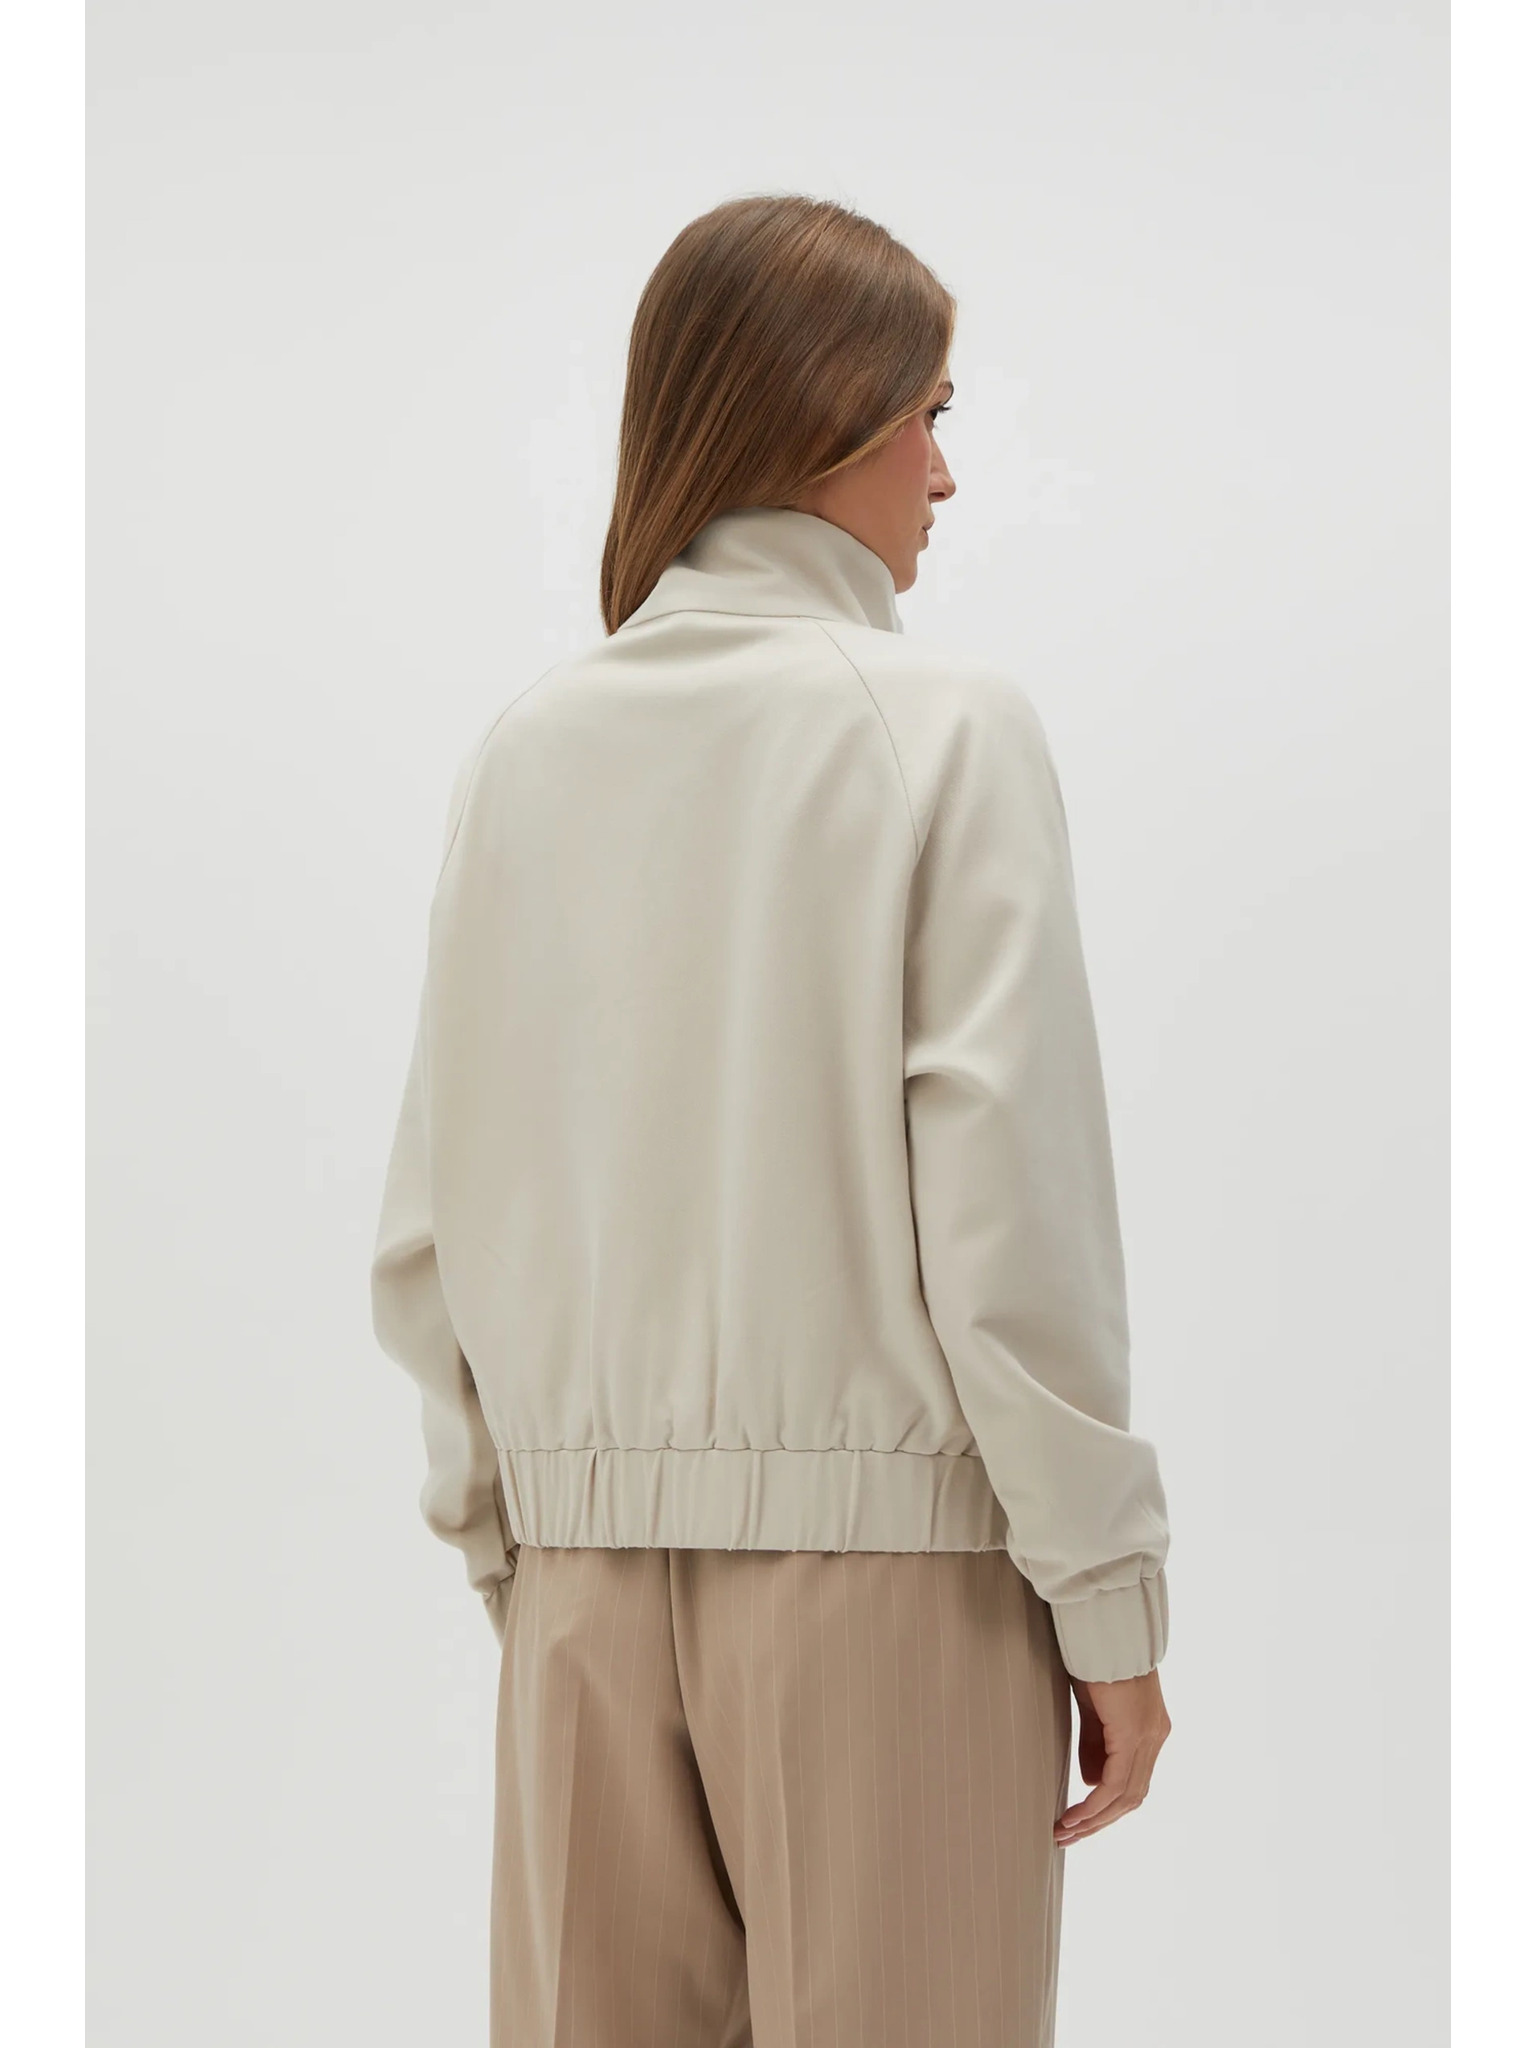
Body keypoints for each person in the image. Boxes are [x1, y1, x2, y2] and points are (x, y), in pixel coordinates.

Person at [370, 192, 1173, 2048]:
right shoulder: (943, 728)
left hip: (578, 1598)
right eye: (930, 416)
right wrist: (1108, 1600)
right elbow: (1011, 1225)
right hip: (894, 1600)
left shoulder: (526, 748)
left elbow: (431, 1227)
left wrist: (523, 1548)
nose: (944, 478)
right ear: (826, 412)